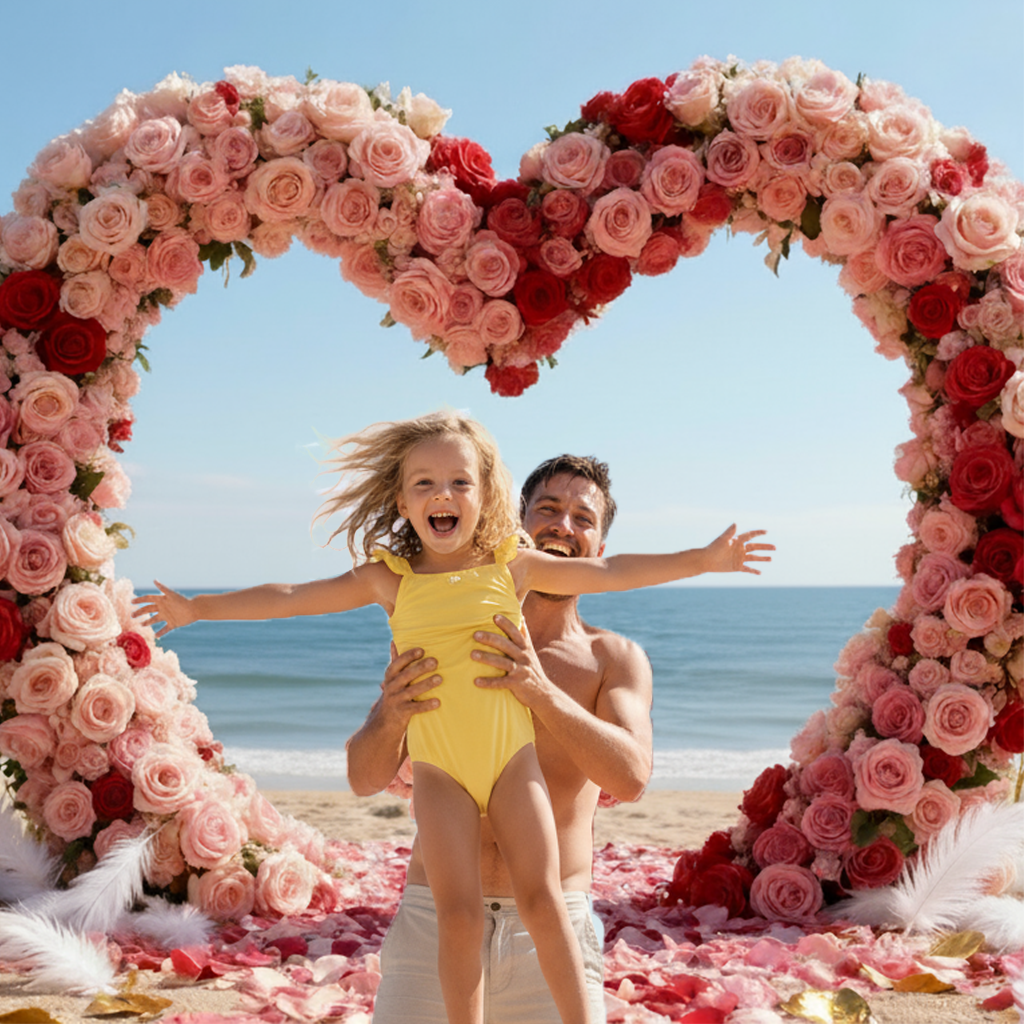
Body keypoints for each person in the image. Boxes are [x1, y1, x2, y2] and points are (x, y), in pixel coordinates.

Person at [135, 415, 773, 1024]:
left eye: (460, 481)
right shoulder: (393, 581)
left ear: (484, 495)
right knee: (457, 915)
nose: (444, 494)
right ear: (406, 501)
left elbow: (619, 585)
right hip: (439, 790)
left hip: (520, 803)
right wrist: (200, 609)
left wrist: (700, 560)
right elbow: (294, 601)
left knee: (543, 895)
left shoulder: (557, 609)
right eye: (548, 508)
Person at [347, 450, 774, 1024]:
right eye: (547, 509)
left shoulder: (612, 658)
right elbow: (364, 776)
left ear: (597, 550)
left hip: (550, 926)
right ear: (512, 525)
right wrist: (393, 714)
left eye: (583, 518)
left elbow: (631, 774)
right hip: (434, 920)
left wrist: (538, 690)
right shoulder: (448, 626)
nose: (562, 527)